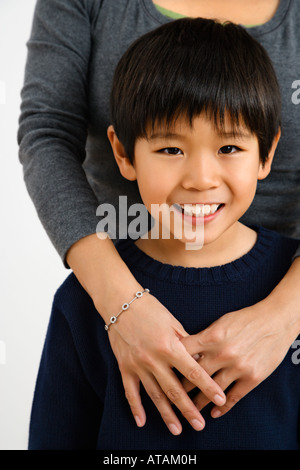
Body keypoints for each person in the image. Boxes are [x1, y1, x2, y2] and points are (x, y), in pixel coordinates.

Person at [18, 0, 300, 435]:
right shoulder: (82, 303)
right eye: (171, 149)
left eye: (229, 148)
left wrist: (286, 314)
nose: (202, 179)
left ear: (267, 150)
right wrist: (120, 304)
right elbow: (47, 129)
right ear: (123, 154)